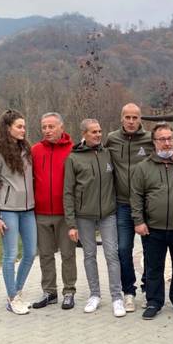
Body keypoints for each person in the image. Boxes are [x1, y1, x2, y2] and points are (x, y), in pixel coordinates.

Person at [104, 103, 173, 312]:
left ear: (141, 119)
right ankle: (128, 291)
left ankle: (150, 288)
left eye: (135, 117)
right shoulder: (112, 138)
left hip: (147, 205)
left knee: (151, 251)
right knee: (123, 249)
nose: (131, 121)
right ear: (121, 118)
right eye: (127, 117)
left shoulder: (150, 138)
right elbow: (99, 154)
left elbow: (167, 145)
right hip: (122, 204)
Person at [64, 119, 126, 317]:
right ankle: (95, 295)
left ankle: (117, 297)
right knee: (89, 255)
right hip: (84, 216)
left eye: (100, 131)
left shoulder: (108, 153)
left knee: (111, 254)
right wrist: (71, 224)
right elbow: (68, 192)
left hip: (108, 213)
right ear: (84, 133)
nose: (98, 135)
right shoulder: (74, 158)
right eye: (93, 132)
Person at [130, 123, 173, 320]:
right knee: (154, 267)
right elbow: (136, 196)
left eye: (170, 139)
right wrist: (138, 221)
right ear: (154, 142)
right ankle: (154, 301)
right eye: (162, 139)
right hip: (153, 228)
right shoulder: (143, 167)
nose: (167, 143)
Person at [0, 110, 37, 315]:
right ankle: (12, 298)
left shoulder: (26, 150)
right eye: (19, 126)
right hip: (7, 211)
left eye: (24, 126)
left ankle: (16, 291)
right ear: (8, 128)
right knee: (10, 255)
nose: (23, 130)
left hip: (28, 209)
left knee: (31, 253)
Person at [31, 112, 77, 310]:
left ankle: (69, 291)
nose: (47, 131)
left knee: (68, 254)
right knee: (45, 255)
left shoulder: (73, 150)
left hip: (65, 213)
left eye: (51, 127)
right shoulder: (35, 150)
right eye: (44, 127)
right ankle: (49, 292)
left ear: (61, 127)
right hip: (41, 212)